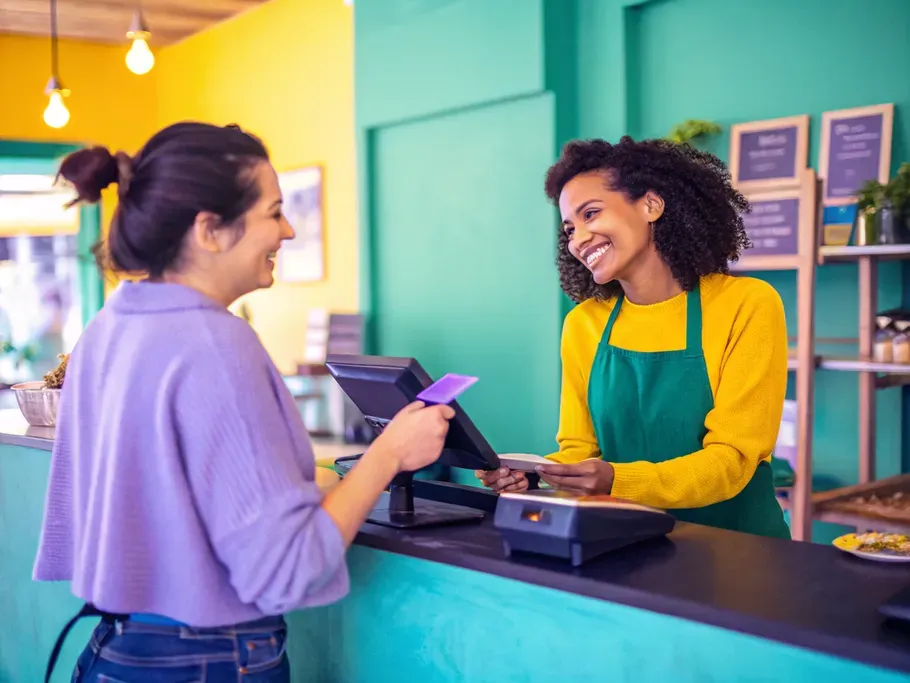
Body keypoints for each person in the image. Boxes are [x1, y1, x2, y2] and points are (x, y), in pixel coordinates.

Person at [35, 122, 455, 683]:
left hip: (117, 650)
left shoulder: (108, 327)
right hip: (209, 661)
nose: (288, 229)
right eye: (274, 211)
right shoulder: (217, 343)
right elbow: (289, 568)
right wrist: (389, 455)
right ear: (210, 229)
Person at [479, 137, 790, 539]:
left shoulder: (746, 304)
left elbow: (731, 462)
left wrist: (614, 480)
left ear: (651, 205)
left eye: (591, 213)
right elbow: (579, 448)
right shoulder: (585, 324)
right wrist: (537, 477)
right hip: (624, 544)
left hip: (739, 551)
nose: (578, 239)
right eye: (570, 228)